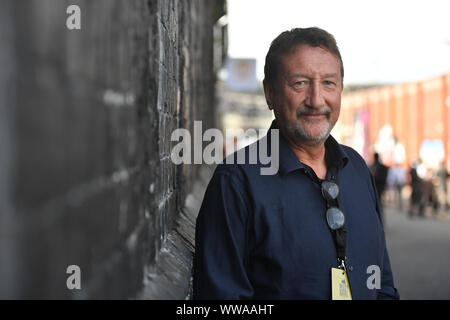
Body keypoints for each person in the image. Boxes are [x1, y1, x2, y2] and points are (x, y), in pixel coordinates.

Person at [194, 27, 399, 300]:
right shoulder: (236, 182)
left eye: (329, 83)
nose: (316, 100)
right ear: (270, 94)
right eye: (300, 83)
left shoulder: (357, 169)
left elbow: (382, 282)